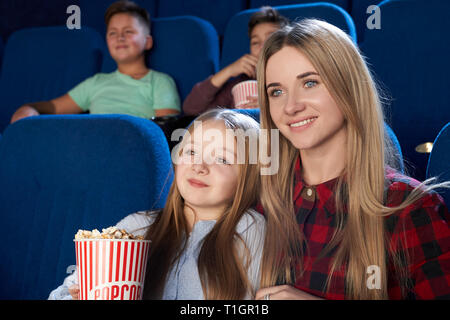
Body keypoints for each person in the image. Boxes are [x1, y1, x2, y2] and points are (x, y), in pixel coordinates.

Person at [254, 19, 450, 300]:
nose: (291, 106)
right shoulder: (259, 200)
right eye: (276, 91)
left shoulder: (409, 208)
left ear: (349, 87)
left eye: (310, 83)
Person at [48, 109, 265, 300]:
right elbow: (64, 292)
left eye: (223, 159)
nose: (199, 166)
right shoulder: (137, 226)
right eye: (191, 152)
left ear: (250, 177)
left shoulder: (251, 229)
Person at [10, 0, 180, 123]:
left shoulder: (160, 82)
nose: (120, 37)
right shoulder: (96, 83)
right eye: (112, 33)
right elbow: (53, 107)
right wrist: (29, 108)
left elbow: (165, 132)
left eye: (128, 31)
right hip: (92, 151)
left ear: (148, 42)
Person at [182, 6, 288, 116]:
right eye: (255, 42)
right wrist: (228, 71)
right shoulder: (241, 83)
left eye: (270, 38)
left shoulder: (295, 77)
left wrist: (270, 106)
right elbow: (191, 108)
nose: (262, 46)